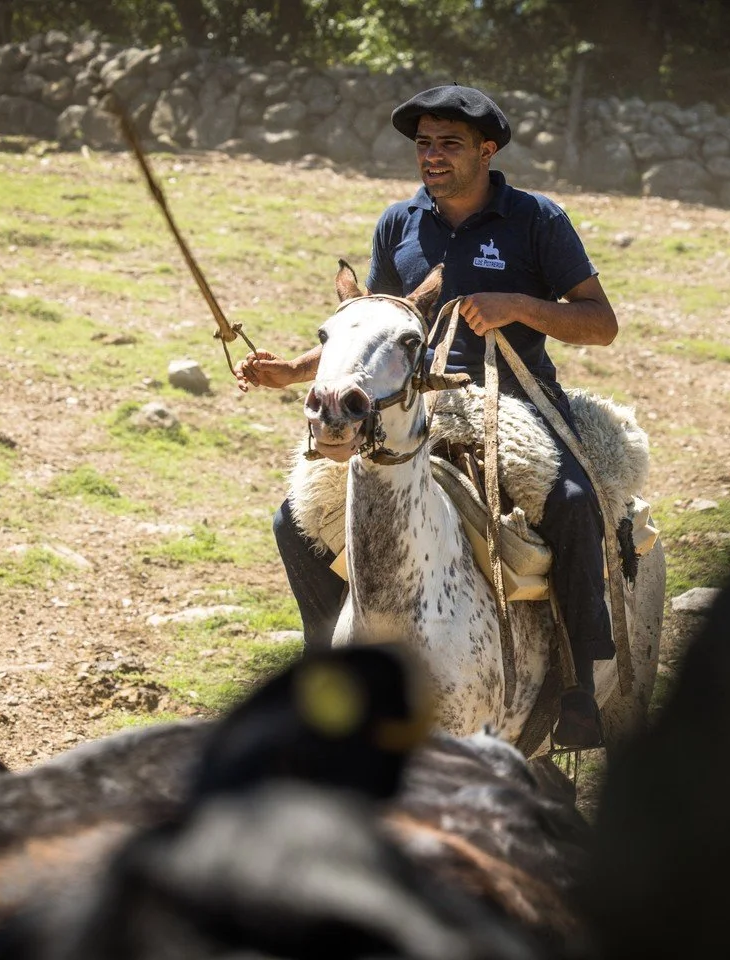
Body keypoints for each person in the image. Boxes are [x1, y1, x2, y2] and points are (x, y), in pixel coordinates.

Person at [235, 84, 618, 748]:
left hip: (515, 407)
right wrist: (289, 373)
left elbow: (601, 324)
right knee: (294, 521)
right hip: (413, 406)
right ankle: (327, 664)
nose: (432, 157)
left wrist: (518, 306)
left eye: (449, 144)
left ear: (486, 150)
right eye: (423, 145)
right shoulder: (399, 223)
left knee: (574, 501)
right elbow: (379, 331)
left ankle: (582, 690)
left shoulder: (537, 220)